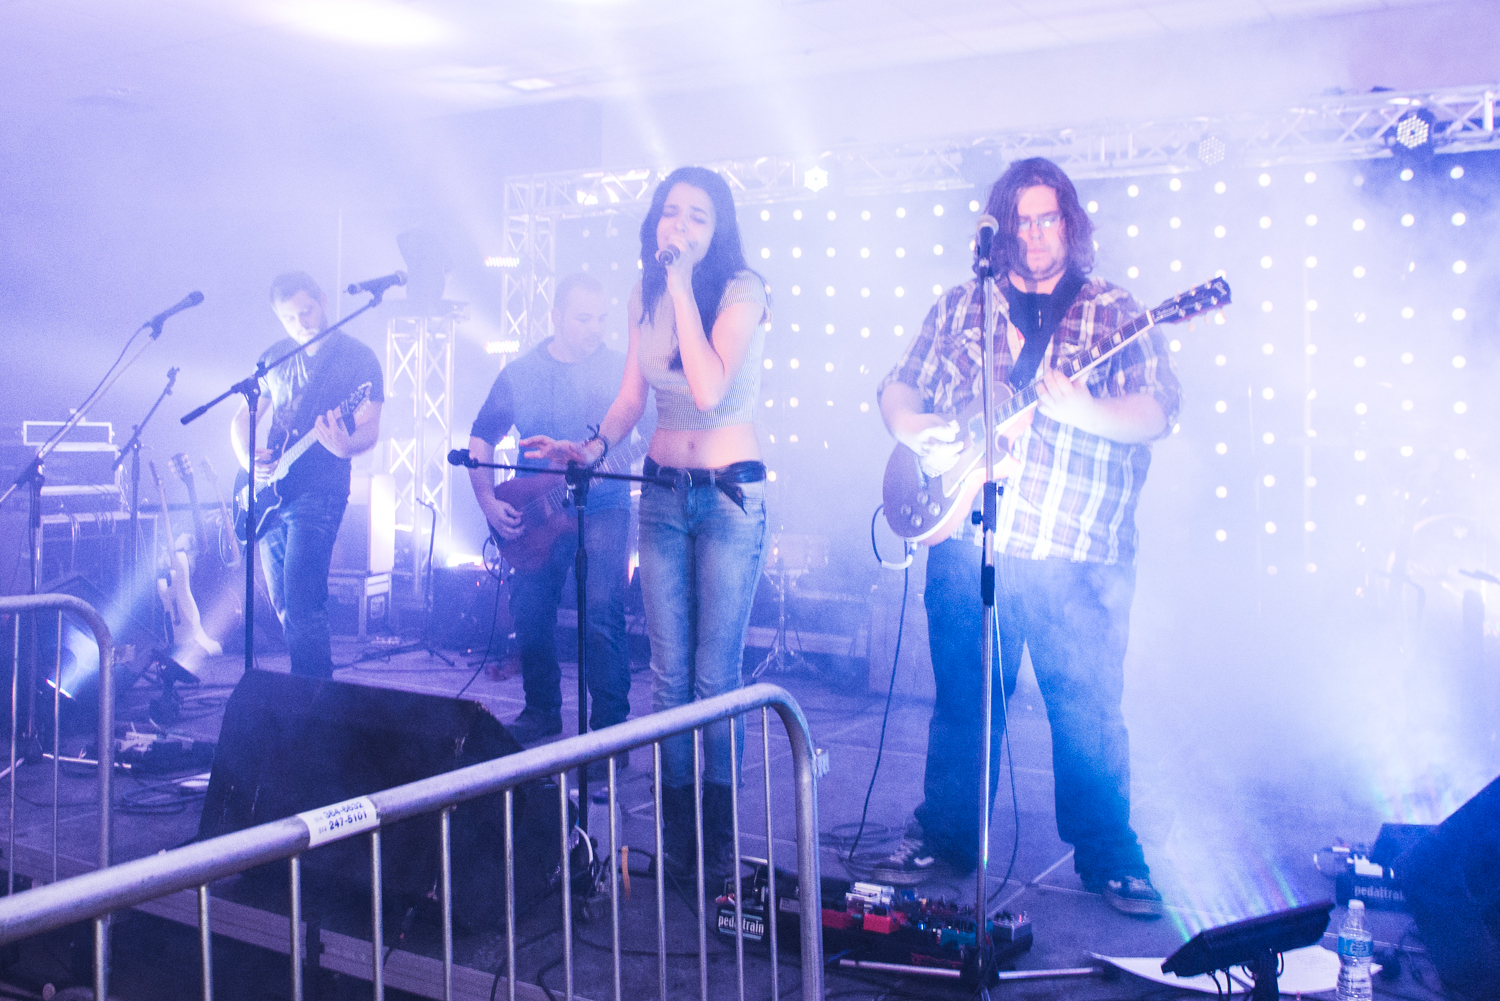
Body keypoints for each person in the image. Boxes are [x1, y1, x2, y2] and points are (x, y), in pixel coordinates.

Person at [873, 157, 1180, 918]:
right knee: (964, 703)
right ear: (999, 228)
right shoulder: (959, 305)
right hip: (971, 539)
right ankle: (945, 833)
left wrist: (1083, 412)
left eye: (1049, 218)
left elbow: (1160, 411)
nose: (1036, 235)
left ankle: (1110, 852)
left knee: (1088, 708)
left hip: (1078, 550)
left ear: (1071, 223)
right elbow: (898, 385)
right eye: (1022, 220)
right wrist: (917, 430)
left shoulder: (1114, 311)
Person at [524, 166, 770, 884]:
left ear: (717, 227)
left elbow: (707, 386)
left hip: (729, 499)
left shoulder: (741, 290)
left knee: (713, 679)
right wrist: (592, 444)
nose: (681, 227)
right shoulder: (642, 293)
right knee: (666, 678)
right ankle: (681, 839)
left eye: (698, 216)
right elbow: (634, 394)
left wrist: (686, 287)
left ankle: (717, 845)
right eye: (671, 214)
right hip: (661, 495)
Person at [467, 273, 641, 749]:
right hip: (534, 514)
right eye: (584, 318)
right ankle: (542, 710)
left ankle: (609, 734)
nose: (596, 328)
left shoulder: (619, 371)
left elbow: (638, 430)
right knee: (530, 610)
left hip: (602, 509)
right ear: (556, 317)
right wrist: (487, 500)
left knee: (602, 613)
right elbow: (481, 436)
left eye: (603, 318)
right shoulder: (521, 373)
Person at [230, 271, 384, 679]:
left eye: (306, 311)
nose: (302, 324)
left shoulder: (357, 358)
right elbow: (242, 418)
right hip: (270, 492)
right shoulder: (275, 356)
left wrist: (346, 445)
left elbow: (370, 425)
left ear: (322, 299)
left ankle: (315, 704)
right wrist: (248, 459)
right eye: (289, 318)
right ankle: (311, 693)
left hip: (320, 490)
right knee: (284, 605)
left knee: (303, 601)